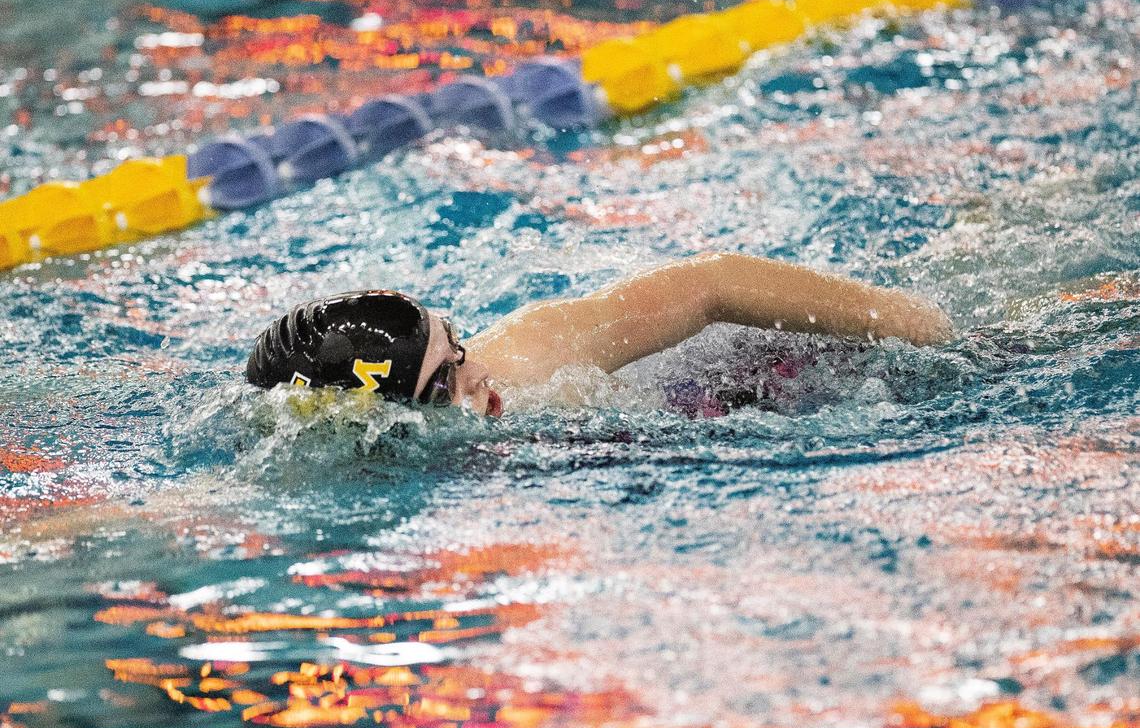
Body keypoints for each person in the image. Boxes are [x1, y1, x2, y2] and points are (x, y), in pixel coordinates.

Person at [245, 252, 954, 418]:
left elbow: (710, 286)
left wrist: (900, 319)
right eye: (441, 385)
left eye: (458, 349)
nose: (478, 381)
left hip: (798, 370)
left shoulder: (529, 357)